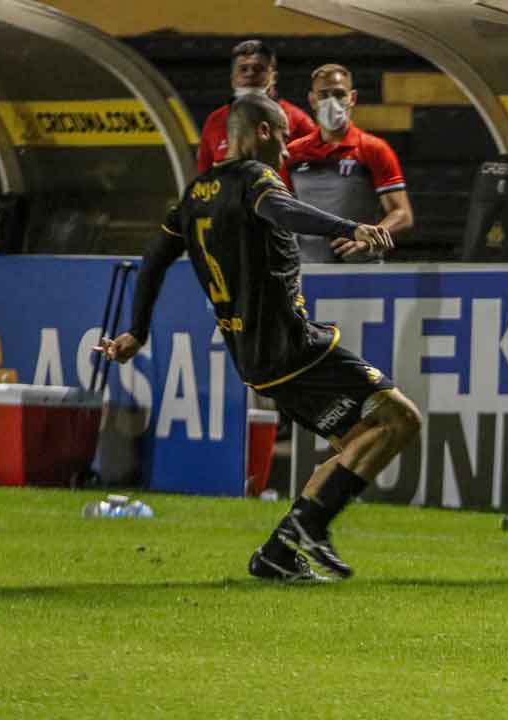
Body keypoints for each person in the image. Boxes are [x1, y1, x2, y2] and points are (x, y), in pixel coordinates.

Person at [97, 94, 422, 582]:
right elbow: (284, 212)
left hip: (254, 358)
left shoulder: (193, 194)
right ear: (264, 132)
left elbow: (153, 260)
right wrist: (351, 225)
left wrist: (136, 332)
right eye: (286, 138)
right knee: (400, 418)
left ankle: (278, 553)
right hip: (294, 346)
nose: (290, 150)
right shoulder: (256, 180)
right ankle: (308, 526)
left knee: (356, 441)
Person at [284, 63, 413, 263]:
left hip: (362, 270)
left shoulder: (374, 149)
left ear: (352, 98)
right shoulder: (293, 153)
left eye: (338, 94)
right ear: (312, 99)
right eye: (323, 95)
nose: (331, 102)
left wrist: (370, 238)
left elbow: (402, 214)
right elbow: (282, 211)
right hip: (306, 272)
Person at [196, 39, 316, 174]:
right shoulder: (215, 120)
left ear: (274, 77)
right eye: (243, 69)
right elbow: (204, 175)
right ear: (232, 77)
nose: (250, 74)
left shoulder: (298, 120)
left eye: (258, 69)